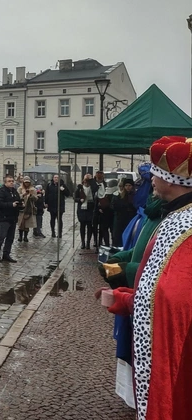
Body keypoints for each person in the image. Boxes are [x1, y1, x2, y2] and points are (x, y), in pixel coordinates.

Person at [99, 136, 192, 419]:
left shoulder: (185, 225)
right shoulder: (175, 216)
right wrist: (126, 298)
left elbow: (175, 299)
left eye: (155, 173)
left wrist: (128, 296)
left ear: (172, 180)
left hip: (173, 362)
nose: (149, 178)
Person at [0, 176, 21, 262]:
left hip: (13, 217)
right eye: (9, 181)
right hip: (4, 217)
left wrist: (20, 205)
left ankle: (6, 254)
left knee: (10, 238)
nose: (11, 182)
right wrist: (11, 204)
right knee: (1, 236)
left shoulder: (15, 191)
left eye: (12, 181)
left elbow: (17, 201)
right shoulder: (1, 192)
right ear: (5, 182)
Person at [111, 178, 137, 248]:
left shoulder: (135, 195)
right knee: (118, 238)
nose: (128, 187)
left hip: (130, 219)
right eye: (126, 185)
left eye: (129, 185)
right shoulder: (118, 195)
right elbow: (114, 206)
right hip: (120, 220)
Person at [75, 174, 96, 249]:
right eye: (85, 182)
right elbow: (75, 198)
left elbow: (96, 189)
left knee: (90, 227)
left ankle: (88, 242)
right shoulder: (80, 189)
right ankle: (83, 242)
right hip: (82, 209)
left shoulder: (92, 188)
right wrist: (79, 200)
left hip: (90, 209)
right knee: (82, 226)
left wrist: (91, 179)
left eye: (87, 182)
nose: (86, 184)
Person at [16, 176, 37, 242]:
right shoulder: (20, 189)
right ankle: (20, 236)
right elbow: (17, 197)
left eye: (28, 182)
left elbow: (36, 198)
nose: (27, 184)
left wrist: (31, 195)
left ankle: (25, 236)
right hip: (21, 208)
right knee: (21, 223)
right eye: (25, 182)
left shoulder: (32, 189)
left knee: (27, 224)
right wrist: (23, 194)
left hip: (29, 208)